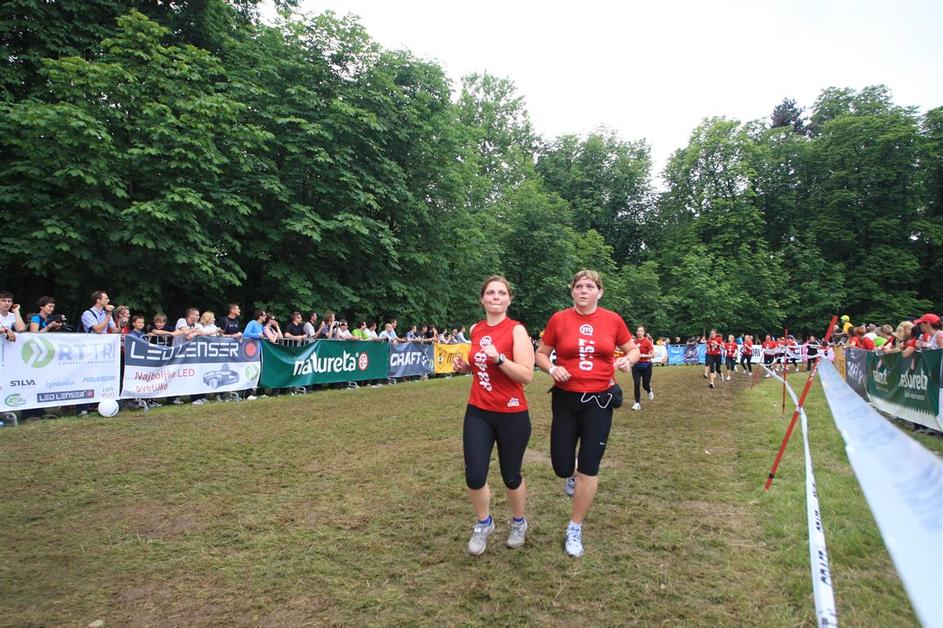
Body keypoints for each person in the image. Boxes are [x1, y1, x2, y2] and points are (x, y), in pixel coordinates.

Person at [534, 270, 639, 558]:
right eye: (578, 286)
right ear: (572, 291)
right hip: (566, 400)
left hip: (599, 401)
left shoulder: (612, 320)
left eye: (590, 286)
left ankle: (575, 527)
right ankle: (571, 474)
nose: (583, 290)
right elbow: (541, 354)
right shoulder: (559, 319)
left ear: (599, 292)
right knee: (561, 465)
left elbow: (632, 350)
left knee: (590, 467)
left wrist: (628, 361)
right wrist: (552, 368)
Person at [452, 276, 535, 555]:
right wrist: (465, 367)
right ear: (482, 299)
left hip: (512, 413)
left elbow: (526, 375)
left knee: (511, 475)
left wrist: (500, 358)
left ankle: (518, 522)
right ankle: (484, 523)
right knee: (474, 476)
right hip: (479, 412)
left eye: (501, 293)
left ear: (509, 299)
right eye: (490, 293)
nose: (496, 297)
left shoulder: (516, 331)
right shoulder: (475, 329)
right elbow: (480, 366)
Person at [630, 325, 654, 411]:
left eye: (641, 331)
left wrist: (642, 355)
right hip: (636, 366)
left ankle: (649, 390)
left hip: (646, 366)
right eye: (638, 331)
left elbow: (653, 355)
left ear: (644, 332)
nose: (639, 332)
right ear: (636, 332)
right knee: (636, 384)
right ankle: (637, 403)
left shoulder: (647, 341)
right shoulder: (634, 342)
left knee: (645, 385)